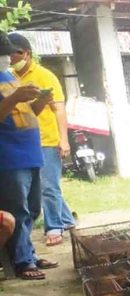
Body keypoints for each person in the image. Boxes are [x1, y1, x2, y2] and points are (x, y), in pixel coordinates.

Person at [9, 32, 76, 247]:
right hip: (26, 143)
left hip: (47, 140)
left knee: (49, 186)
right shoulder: (10, 76)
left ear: (26, 54)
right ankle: (66, 219)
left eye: (15, 54)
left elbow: (59, 109)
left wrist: (63, 140)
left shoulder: (45, 76)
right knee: (44, 187)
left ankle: (54, 226)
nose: (11, 59)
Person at [0, 30, 57, 280]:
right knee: (18, 209)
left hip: (31, 152)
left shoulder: (9, 76)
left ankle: (29, 254)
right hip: (10, 156)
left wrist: (41, 102)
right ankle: (22, 262)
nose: (9, 56)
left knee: (33, 209)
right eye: (5, 52)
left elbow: (24, 112)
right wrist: (14, 97)